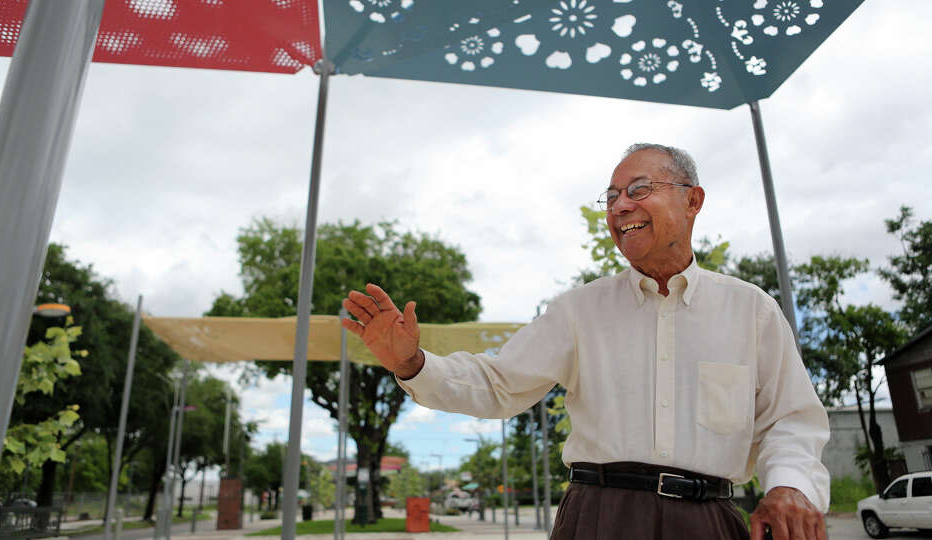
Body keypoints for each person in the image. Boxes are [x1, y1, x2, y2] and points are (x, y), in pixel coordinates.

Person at [342, 143, 830, 540]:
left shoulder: (752, 310)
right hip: (597, 519)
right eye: (612, 196)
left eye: (639, 190)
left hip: (707, 521)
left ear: (692, 200)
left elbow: (790, 420)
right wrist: (411, 363)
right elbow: (498, 384)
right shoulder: (578, 311)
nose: (621, 206)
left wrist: (789, 486)